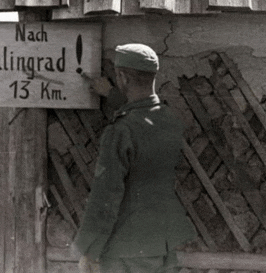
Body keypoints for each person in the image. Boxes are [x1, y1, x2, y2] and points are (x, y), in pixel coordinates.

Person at [74, 44, 196, 273]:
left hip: (125, 252)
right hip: (161, 246)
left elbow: (106, 196)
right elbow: (145, 118)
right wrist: (111, 95)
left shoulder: (120, 132)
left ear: (122, 77)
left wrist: (89, 249)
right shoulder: (169, 119)